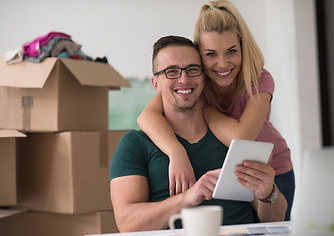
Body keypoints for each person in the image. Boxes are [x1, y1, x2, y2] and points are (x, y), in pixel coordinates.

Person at [137, 0, 295, 221]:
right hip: (229, 174)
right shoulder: (194, 82)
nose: (222, 64)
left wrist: (207, 112)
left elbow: (242, 138)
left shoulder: (258, 78)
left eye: (231, 51)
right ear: (199, 56)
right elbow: (146, 116)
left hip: (271, 170)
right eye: (211, 54)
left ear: (243, 48)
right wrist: (176, 152)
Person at [110, 35, 287, 232]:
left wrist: (268, 193)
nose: (184, 79)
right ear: (156, 83)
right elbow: (127, 223)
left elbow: (275, 217)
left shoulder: (231, 139)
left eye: (193, 70)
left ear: (203, 77)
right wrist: (187, 198)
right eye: (172, 72)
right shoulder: (134, 144)